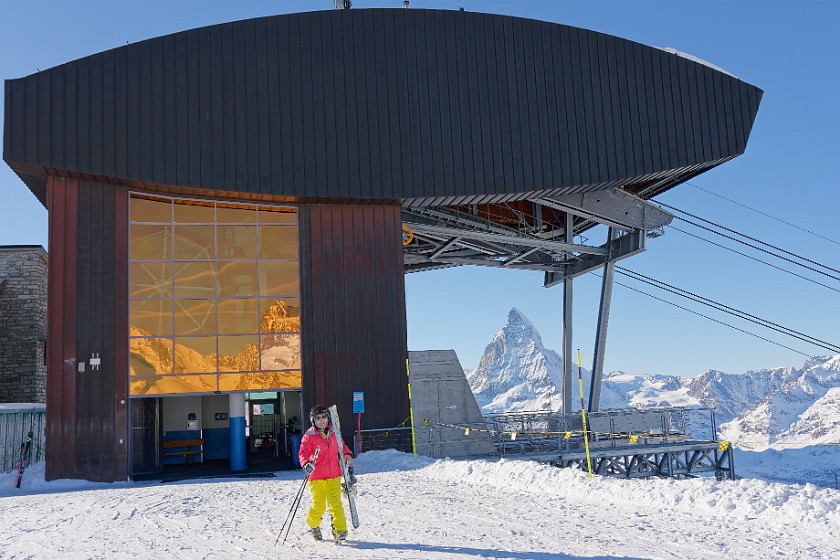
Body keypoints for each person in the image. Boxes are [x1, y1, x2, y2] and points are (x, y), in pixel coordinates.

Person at [298, 404, 354, 542]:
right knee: (319, 505)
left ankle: (340, 531)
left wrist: (346, 454)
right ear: (313, 420)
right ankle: (313, 525)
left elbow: (342, 446)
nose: (322, 420)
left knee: (335, 503)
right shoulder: (309, 436)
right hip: (316, 477)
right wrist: (306, 464)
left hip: (334, 474)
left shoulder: (334, 433)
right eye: (318, 418)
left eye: (324, 417)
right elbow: (303, 453)